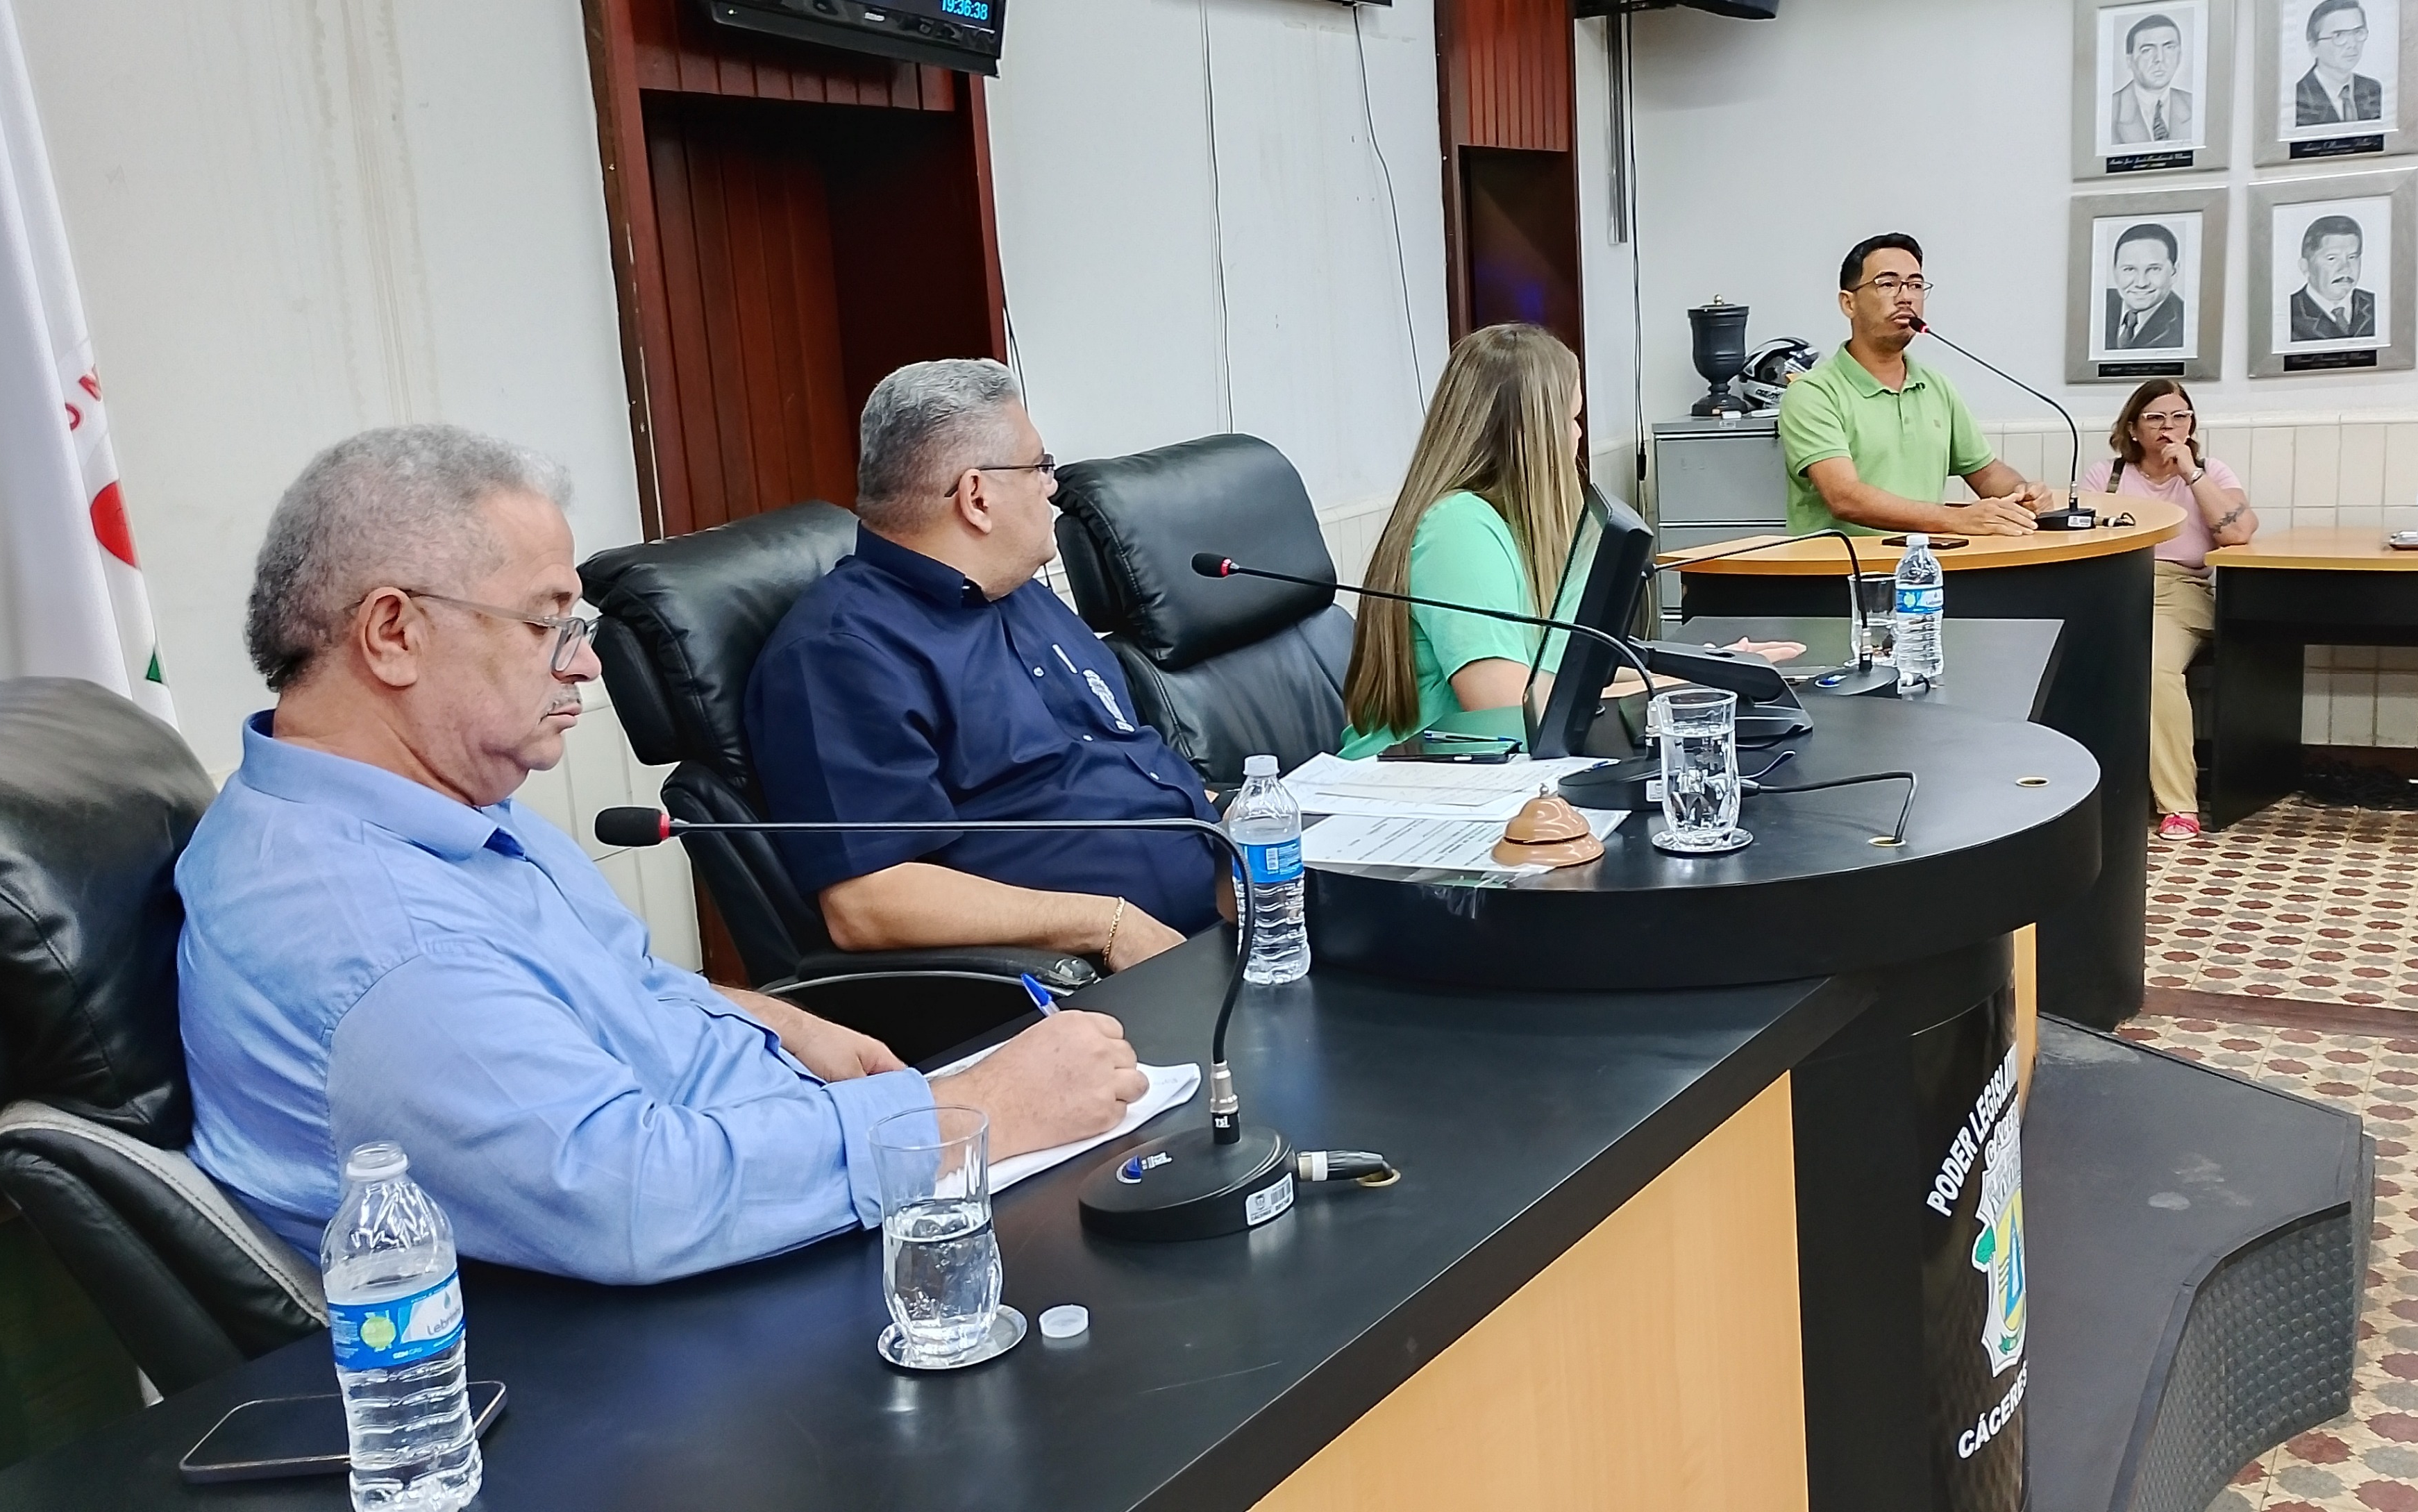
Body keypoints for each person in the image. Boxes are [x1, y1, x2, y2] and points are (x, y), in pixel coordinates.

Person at [179, 425, 1147, 1284]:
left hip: (777, 1183)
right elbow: (633, 1197)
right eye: (547, 621)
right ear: (395, 633)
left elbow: (604, 991)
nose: (585, 661)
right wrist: (970, 1113)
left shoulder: (433, 810)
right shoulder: (378, 936)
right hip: (697, 1300)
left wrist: (766, 1017)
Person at [744, 360, 1223, 977]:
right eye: (1039, 467)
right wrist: (1105, 924)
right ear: (977, 496)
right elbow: (868, 902)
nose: (1053, 486)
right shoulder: (843, 653)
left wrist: (1256, 817)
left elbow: (1123, 766)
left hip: (1233, 903)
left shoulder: (1020, 593)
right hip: (1105, 982)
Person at [1339, 324, 1799, 757]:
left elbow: (1570, 672)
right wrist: (1679, 688)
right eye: (1572, 417)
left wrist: (1712, 666)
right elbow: (1506, 705)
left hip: (1481, 768)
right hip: (1401, 785)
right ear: (1532, 432)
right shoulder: (1458, 528)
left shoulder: (1515, 527)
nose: (1578, 434)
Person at [1779, 233, 2055, 539]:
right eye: (1887, 284)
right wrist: (1956, 519)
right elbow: (1844, 497)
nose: (1906, 297)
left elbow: (1986, 472)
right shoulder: (1813, 393)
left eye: (1915, 285)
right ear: (1849, 303)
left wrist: (2021, 494)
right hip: (1841, 565)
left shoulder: (1935, 386)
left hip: (1922, 563)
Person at [2078, 382, 2256, 841]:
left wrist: (2191, 475)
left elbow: (2238, 534)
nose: (2169, 427)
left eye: (2180, 417)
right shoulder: (2106, 476)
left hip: (2180, 590)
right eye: (2156, 418)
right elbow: (2079, 538)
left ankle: (2179, 805)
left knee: (2155, 668)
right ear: (2133, 428)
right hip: (2115, 589)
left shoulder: (2210, 471)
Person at [2287, 214, 2376, 342]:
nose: (2345, 268)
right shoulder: (2289, 314)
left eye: (2352, 257)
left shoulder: (2374, 305)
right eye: (2332, 258)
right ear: (2305, 266)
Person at [2294, 0, 2385, 126]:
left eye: (2358, 32)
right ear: (2313, 46)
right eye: (2339, 35)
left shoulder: (2373, 89)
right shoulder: (2298, 97)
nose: (2352, 44)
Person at [2111, 13, 2196, 145]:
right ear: (2129, 60)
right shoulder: (2108, 111)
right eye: (2147, 50)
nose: (2159, 58)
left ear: (2180, 55)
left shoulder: (2196, 105)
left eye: (2169, 47)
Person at [2106, 223, 2188, 351]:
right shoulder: (2097, 305)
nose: (2141, 283)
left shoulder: (2184, 326)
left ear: (2174, 272)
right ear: (2115, 271)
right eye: (2129, 269)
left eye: (2154, 269)